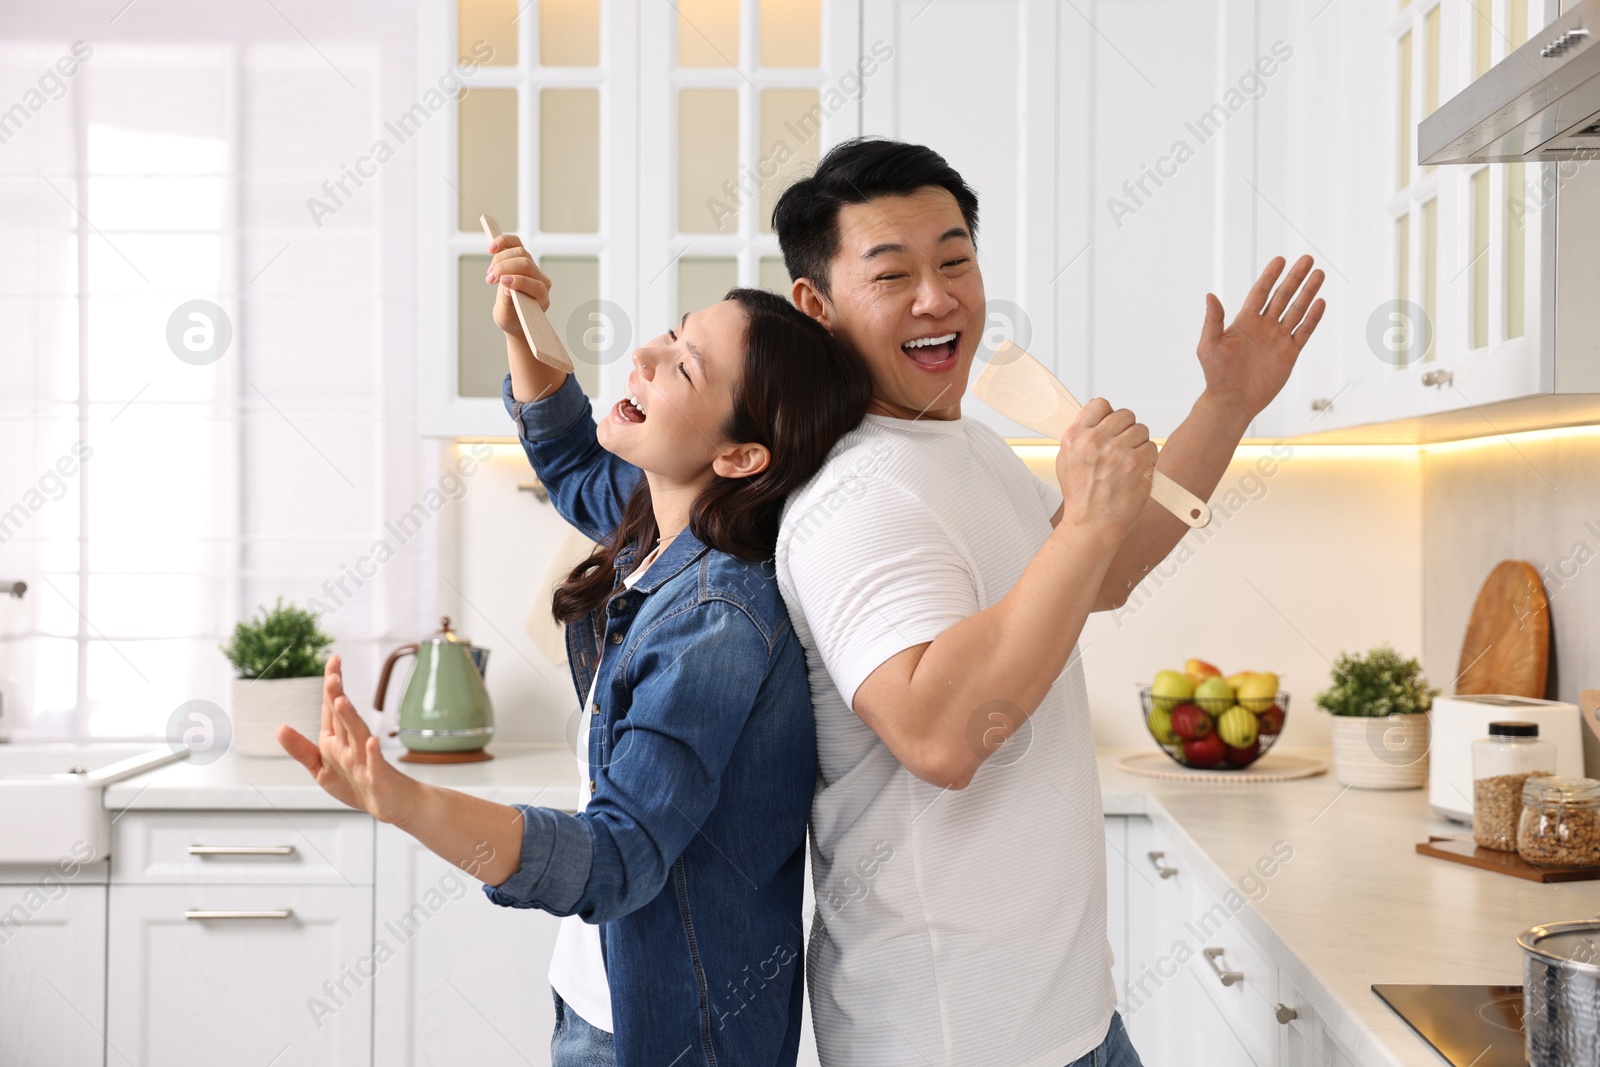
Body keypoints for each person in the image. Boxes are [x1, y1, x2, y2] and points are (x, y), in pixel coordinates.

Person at [768, 138, 1325, 1067]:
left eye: (955, 261)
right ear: (816, 307)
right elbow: (941, 735)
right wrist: (1080, 528)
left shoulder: (970, 450)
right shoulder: (854, 498)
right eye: (893, 273)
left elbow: (1100, 573)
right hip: (953, 1037)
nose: (937, 297)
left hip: (1068, 1018)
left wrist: (1225, 404)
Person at [278, 230, 873, 1067]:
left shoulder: (717, 622)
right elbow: (568, 457)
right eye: (673, 332)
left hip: (673, 1037)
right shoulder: (664, 527)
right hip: (604, 1001)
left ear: (739, 455)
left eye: (684, 367)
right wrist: (526, 329)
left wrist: (404, 802)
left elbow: (616, 856)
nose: (646, 353)